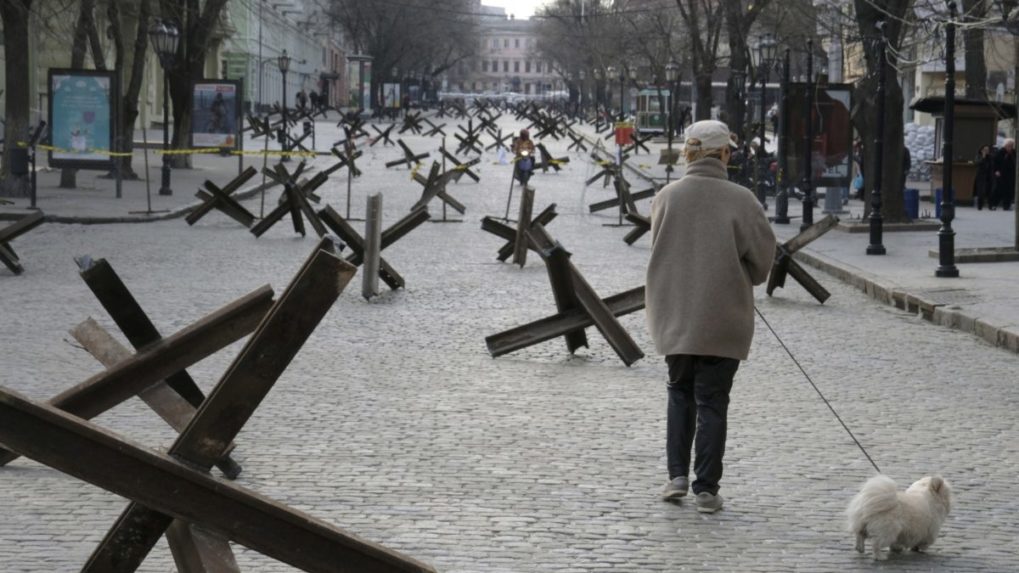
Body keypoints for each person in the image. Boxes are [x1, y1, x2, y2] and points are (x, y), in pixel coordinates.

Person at [646, 119, 776, 514]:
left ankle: (676, 478)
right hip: (723, 317)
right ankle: (706, 489)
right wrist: (741, 274)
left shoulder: (666, 196)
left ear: (689, 152)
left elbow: (658, 250)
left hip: (676, 314)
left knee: (679, 391)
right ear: (722, 153)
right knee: (713, 401)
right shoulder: (742, 199)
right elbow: (762, 261)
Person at [992, 138, 1015, 210]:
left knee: (1009, 190)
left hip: (1011, 175)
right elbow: (995, 163)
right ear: (1005, 145)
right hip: (1002, 174)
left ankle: (1006, 206)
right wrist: (996, 171)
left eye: (1011, 146)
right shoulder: (1000, 152)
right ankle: (994, 204)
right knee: (999, 190)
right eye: (1009, 146)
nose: (1010, 147)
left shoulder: (1014, 152)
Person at [973, 144, 994, 210]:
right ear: (981, 150)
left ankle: (990, 206)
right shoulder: (978, 156)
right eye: (985, 150)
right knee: (980, 192)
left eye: (987, 150)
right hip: (981, 176)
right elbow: (977, 163)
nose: (986, 151)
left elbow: (992, 165)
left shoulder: (990, 157)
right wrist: (983, 157)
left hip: (989, 176)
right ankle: (980, 206)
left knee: (990, 191)